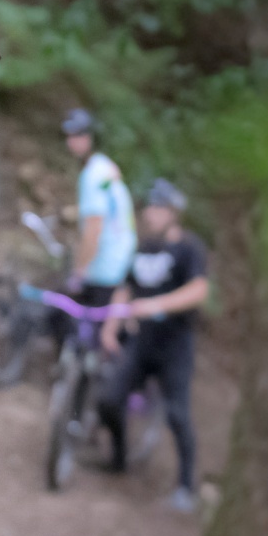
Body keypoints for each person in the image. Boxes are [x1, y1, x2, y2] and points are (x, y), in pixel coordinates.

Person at [97, 179, 210, 512]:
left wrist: (156, 305)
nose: (149, 214)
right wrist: (111, 326)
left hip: (176, 346)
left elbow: (199, 290)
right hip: (141, 343)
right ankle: (118, 460)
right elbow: (125, 288)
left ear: (173, 212)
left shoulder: (190, 248)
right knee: (108, 399)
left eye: (157, 207)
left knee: (178, 414)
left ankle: (185, 487)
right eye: (149, 207)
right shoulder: (144, 247)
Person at [61, 108, 136, 309]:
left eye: (78, 135)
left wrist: (79, 271)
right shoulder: (105, 167)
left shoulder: (91, 176)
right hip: (122, 259)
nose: (71, 141)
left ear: (90, 137)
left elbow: (94, 229)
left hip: (104, 269)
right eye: (69, 135)